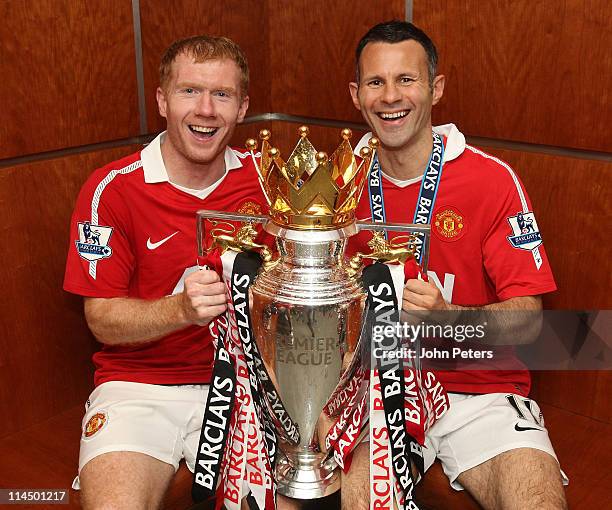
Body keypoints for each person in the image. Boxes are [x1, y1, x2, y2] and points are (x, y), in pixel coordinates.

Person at [343, 20, 568, 509]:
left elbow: (529, 318)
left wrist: (450, 319)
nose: (390, 97)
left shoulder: (491, 180)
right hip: (380, 389)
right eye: (375, 82)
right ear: (356, 95)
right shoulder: (337, 184)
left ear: (435, 88)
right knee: (359, 494)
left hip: (479, 388)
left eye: (406, 79)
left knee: (537, 498)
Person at [64, 35, 268, 509]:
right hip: (135, 388)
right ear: (161, 100)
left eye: (222, 94)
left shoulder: (268, 183)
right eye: (188, 91)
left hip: (245, 386)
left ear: (242, 108)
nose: (206, 109)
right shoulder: (109, 190)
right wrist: (180, 309)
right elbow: (101, 319)